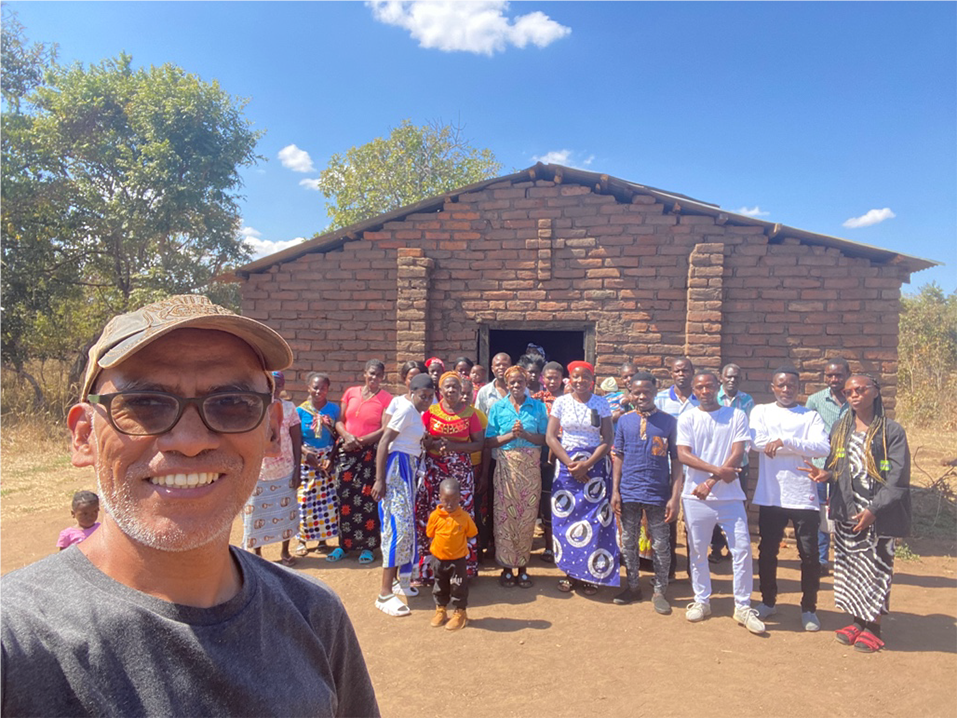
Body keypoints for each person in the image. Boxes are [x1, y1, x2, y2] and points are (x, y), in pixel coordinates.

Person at [0, 294, 379, 715]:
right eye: (144, 403)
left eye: (232, 404)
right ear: (84, 436)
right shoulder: (16, 640)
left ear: (272, 431)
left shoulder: (315, 615)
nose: (191, 440)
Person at [800, 374, 911, 653]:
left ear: (875, 392)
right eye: (849, 392)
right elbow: (839, 468)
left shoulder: (891, 432)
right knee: (851, 570)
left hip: (878, 514)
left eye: (860, 389)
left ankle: (873, 628)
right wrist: (826, 474)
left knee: (876, 569)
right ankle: (857, 622)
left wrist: (873, 510)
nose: (854, 395)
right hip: (847, 511)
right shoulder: (841, 428)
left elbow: (898, 478)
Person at [677, 371, 765, 634]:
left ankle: (743, 605)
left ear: (718, 387)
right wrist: (715, 473)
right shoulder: (688, 417)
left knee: (742, 551)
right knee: (697, 550)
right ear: (694, 390)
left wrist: (711, 481)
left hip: (729, 496)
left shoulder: (735, 415)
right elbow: (683, 454)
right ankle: (702, 600)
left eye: (709, 386)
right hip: (695, 498)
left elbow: (738, 452)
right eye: (700, 387)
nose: (705, 391)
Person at [749, 367, 830, 632]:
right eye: (781, 385)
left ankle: (809, 608)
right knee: (767, 551)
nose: (786, 390)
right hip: (771, 494)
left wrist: (784, 441)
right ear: (773, 387)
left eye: (791, 385)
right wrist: (796, 447)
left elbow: (822, 447)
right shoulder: (761, 411)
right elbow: (756, 442)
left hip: (803, 495)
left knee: (809, 555)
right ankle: (768, 601)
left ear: (799, 388)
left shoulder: (810, 416)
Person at [610, 373, 683, 614]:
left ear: (655, 391)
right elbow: (618, 455)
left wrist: (674, 496)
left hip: (658, 493)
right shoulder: (624, 421)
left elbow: (677, 461)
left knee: (661, 543)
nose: (642, 397)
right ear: (630, 393)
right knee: (628, 541)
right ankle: (632, 586)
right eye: (637, 392)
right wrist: (615, 491)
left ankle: (660, 590)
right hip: (629, 491)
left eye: (647, 392)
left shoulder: (669, 422)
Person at [545, 361, 618, 595]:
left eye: (585, 377)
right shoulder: (561, 403)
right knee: (566, 519)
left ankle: (590, 574)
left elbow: (607, 437)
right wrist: (570, 464)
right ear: (570, 379)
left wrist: (587, 464)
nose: (580, 381)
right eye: (575, 377)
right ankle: (570, 571)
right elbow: (551, 437)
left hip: (595, 466)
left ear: (592, 380)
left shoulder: (601, 403)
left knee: (594, 519)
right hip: (567, 466)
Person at [372, 373, 435, 617]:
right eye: (423, 396)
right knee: (397, 530)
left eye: (430, 397)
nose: (427, 401)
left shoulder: (411, 410)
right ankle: (384, 593)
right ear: (412, 392)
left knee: (405, 528)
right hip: (397, 470)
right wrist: (380, 480)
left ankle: (398, 580)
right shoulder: (407, 410)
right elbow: (385, 441)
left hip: (407, 469)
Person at [415, 372, 485, 582]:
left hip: (460, 473)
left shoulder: (470, 414)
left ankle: (464, 570)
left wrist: (455, 446)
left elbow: (479, 443)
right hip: (434, 470)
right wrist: (431, 444)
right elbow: (422, 438)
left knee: (460, 517)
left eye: (455, 387)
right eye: (447, 387)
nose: (451, 390)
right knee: (433, 516)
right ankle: (430, 570)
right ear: (441, 390)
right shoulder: (431, 411)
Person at [485, 366, 549, 588]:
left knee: (526, 517)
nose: (516, 386)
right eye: (512, 382)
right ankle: (505, 568)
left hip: (530, 468)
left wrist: (527, 435)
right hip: (506, 467)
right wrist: (511, 435)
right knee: (504, 517)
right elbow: (489, 441)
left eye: (520, 382)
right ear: (506, 383)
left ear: (526, 383)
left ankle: (522, 568)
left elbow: (545, 439)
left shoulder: (538, 407)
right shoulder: (498, 408)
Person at [331, 359, 392, 563]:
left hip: (368, 454)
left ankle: (368, 547)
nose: (374, 378)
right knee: (344, 496)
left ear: (383, 378)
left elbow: (385, 428)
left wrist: (360, 441)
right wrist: (348, 437)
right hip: (347, 451)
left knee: (367, 499)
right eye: (371, 373)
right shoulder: (351, 392)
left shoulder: (385, 398)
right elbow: (339, 420)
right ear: (365, 373)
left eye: (379, 375)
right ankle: (343, 545)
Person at [242, 370, 302, 566]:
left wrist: (297, 470)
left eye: (279, 384)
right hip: (259, 472)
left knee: (286, 513)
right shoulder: (255, 408)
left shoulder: (290, 408)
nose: (275, 388)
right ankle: (257, 554)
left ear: (283, 386)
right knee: (256, 514)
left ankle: (285, 552)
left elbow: (296, 440)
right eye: (272, 384)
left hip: (284, 470)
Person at [805, 358, 851, 576]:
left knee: (847, 513)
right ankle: (822, 560)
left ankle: (845, 560)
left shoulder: (856, 398)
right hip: (821, 467)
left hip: (850, 468)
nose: (834, 379)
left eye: (839, 375)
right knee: (821, 515)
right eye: (830, 375)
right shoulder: (815, 401)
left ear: (847, 375)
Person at [655, 356, 699, 579]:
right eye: (677, 371)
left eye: (686, 371)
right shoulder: (661, 400)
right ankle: (669, 570)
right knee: (668, 519)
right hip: (666, 470)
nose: (682, 374)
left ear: (692, 372)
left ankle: (695, 572)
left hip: (695, 470)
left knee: (693, 522)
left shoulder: (702, 399)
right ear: (671, 374)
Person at [711, 363, 756, 563]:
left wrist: (742, 453)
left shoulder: (747, 401)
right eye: (728, 377)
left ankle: (733, 547)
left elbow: (750, 429)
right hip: (714, 461)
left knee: (737, 503)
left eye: (736, 378)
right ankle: (716, 547)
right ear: (721, 378)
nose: (732, 381)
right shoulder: (713, 397)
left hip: (740, 462)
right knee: (712, 503)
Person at [294, 372, 340, 556]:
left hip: (327, 460)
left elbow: (338, 438)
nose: (318, 391)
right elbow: (295, 439)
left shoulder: (334, 410)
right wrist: (306, 453)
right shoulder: (300, 411)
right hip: (308, 460)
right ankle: (302, 540)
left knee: (327, 501)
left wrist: (331, 458)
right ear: (308, 388)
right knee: (305, 500)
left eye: (322, 387)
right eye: (315, 387)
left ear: (328, 389)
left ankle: (323, 540)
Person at [426, 478, 478, 632]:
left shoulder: (465, 517)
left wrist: (457, 544)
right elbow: (430, 533)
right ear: (440, 498)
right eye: (446, 500)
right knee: (439, 585)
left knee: (458, 586)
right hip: (438, 559)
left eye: (454, 500)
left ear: (460, 498)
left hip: (457, 561)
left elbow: (472, 533)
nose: (449, 504)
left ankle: (460, 613)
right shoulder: (435, 516)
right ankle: (441, 610)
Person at [534, 360, 565, 563]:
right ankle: (548, 546)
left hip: (566, 453)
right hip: (542, 453)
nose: (552, 381)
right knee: (545, 499)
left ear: (562, 379)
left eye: (556, 377)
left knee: (563, 497)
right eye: (549, 378)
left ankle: (565, 544)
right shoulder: (536, 400)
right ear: (542, 379)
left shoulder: (570, 399)